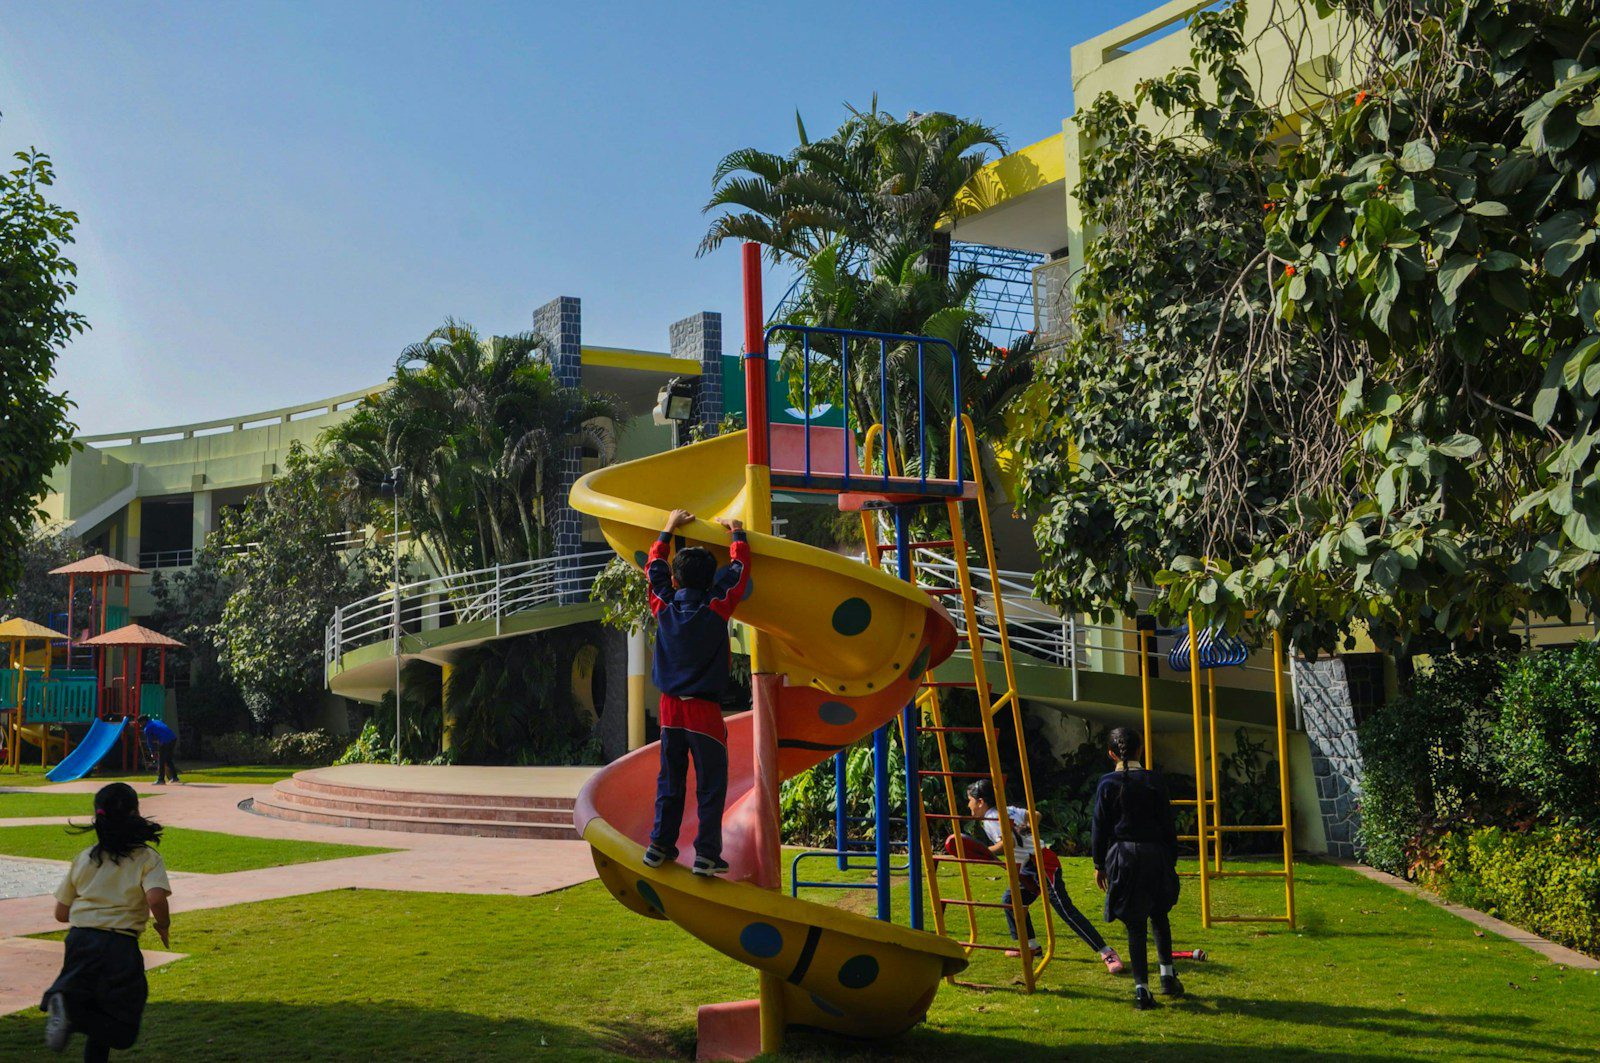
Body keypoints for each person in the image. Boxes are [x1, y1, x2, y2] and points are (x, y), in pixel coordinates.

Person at [641, 508, 750, 877]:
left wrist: (669, 527)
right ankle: (705, 854)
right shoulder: (716, 606)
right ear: (708, 582)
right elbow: (738, 575)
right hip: (703, 710)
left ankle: (659, 845)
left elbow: (653, 566)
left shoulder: (664, 605)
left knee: (670, 779)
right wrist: (737, 534)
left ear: (675, 578)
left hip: (670, 708)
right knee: (710, 784)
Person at [41, 782, 172, 1060]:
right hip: (118, 946)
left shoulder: (85, 858)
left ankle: (67, 1007)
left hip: (79, 942)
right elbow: (156, 899)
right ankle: (71, 1014)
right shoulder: (146, 857)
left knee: (98, 1016)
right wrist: (163, 925)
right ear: (135, 812)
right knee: (122, 1028)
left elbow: (61, 914)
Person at [961, 778, 1123, 973]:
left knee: (1065, 910)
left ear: (980, 802)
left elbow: (1007, 844)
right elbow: (1036, 815)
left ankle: (1107, 952)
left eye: (969, 800)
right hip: (1029, 866)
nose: (968, 805)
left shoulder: (991, 819)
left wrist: (981, 851)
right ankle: (1031, 947)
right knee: (1012, 900)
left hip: (1042, 864)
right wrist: (1027, 829)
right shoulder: (1009, 810)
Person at [1092, 726, 1183, 1011]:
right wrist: (1170, 859)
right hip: (1155, 853)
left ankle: (1142, 990)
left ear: (1111, 754)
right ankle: (1167, 977)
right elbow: (1169, 824)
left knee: (1135, 923)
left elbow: (1099, 828)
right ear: (1140, 750)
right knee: (1159, 914)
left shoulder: (1107, 783)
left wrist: (1098, 864)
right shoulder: (1154, 780)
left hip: (1123, 856)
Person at [138, 718, 180, 785]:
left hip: (165, 741)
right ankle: (175, 777)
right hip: (173, 738)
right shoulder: (157, 721)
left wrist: (152, 752)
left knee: (161, 760)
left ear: (144, 721)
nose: (140, 725)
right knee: (168, 759)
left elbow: (150, 741)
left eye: (140, 723)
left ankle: (161, 780)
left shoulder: (147, 728)